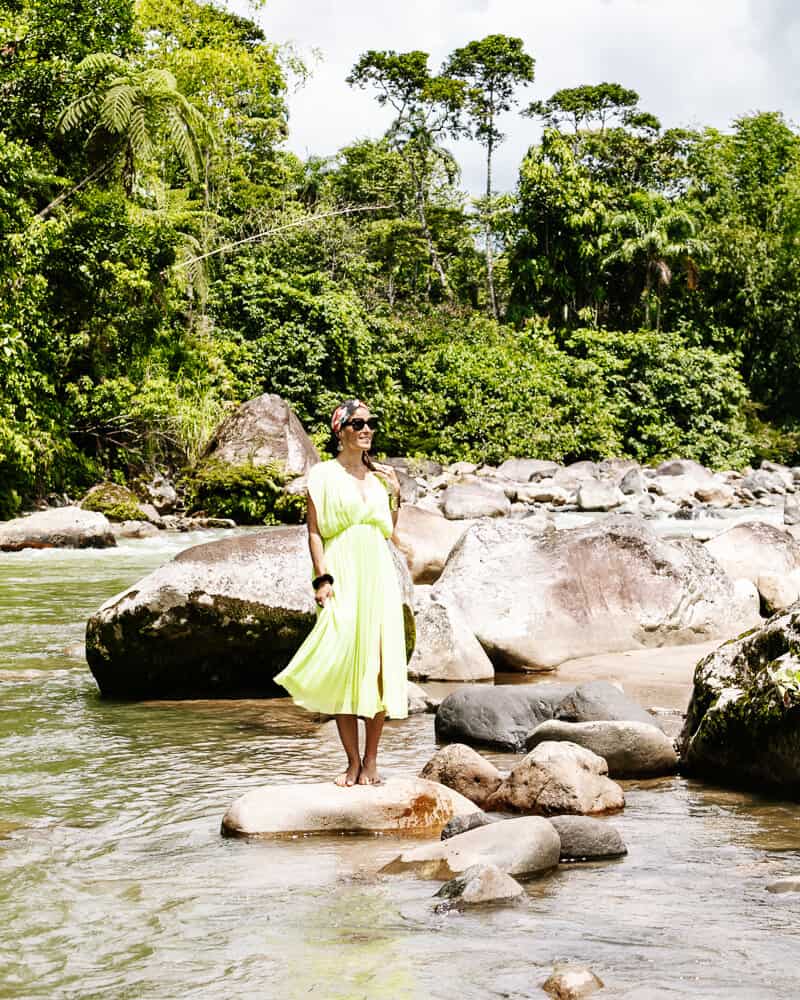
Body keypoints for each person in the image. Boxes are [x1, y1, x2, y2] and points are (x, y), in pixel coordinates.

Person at [274, 398, 407, 787]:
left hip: (379, 572)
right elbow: (315, 532)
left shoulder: (382, 476)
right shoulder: (323, 476)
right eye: (357, 424)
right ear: (341, 431)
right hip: (343, 570)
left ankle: (371, 762)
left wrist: (396, 493)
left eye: (370, 423)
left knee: (379, 666)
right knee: (346, 663)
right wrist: (323, 578)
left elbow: (388, 528)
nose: (366, 429)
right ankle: (351, 762)